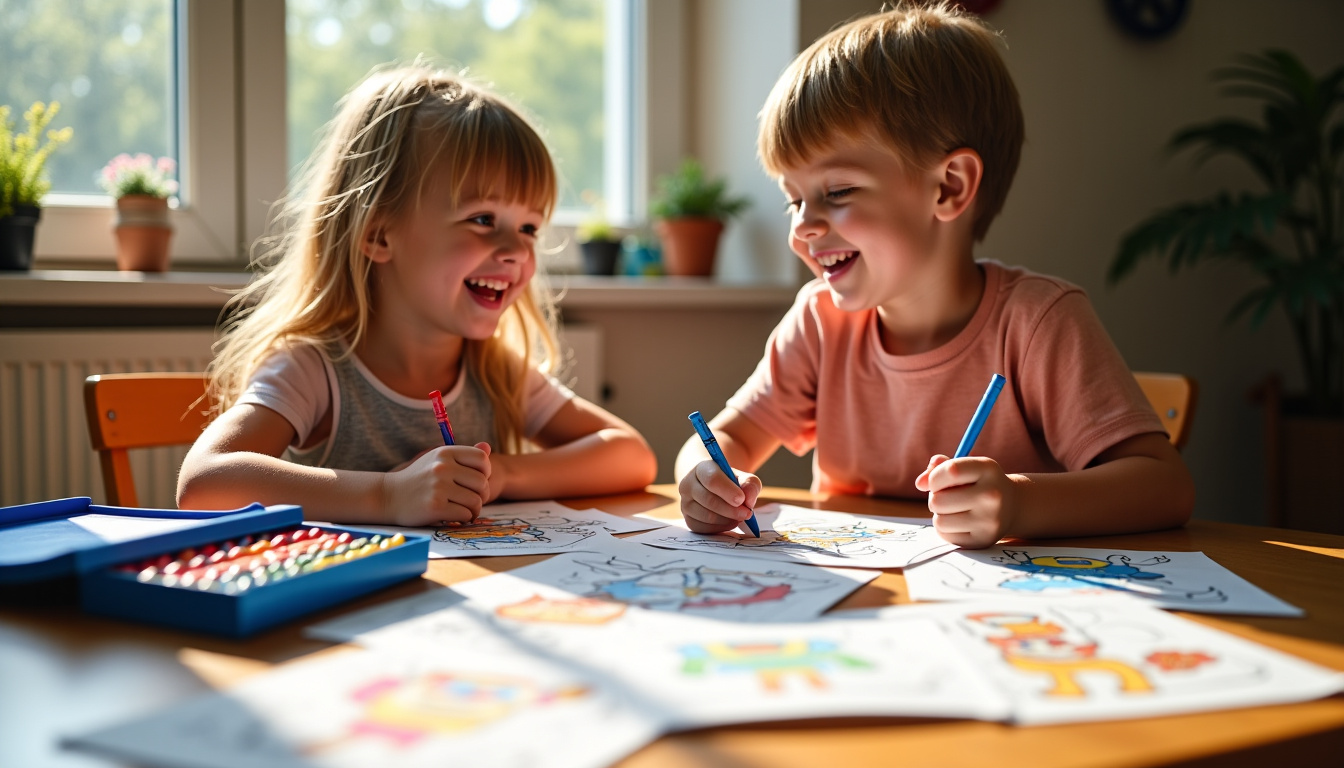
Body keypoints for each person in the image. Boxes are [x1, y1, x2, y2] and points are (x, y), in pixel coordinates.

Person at [675, 2, 1194, 549]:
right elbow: (727, 436)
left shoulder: (1039, 322)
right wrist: (704, 479)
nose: (803, 227)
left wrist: (1018, 504)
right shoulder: (818, 322)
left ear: (948, 187)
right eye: (793, 202)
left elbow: (1165, 486)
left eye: (838, 191)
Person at [179, 65, 657, 525]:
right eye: (483, 219)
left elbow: (631, 455)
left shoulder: (496, 372)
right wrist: (388, 495)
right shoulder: (312, 371)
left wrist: (504, 475)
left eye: (529, 227)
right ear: (380, 235)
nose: (516, 251)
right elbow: (204, 482)